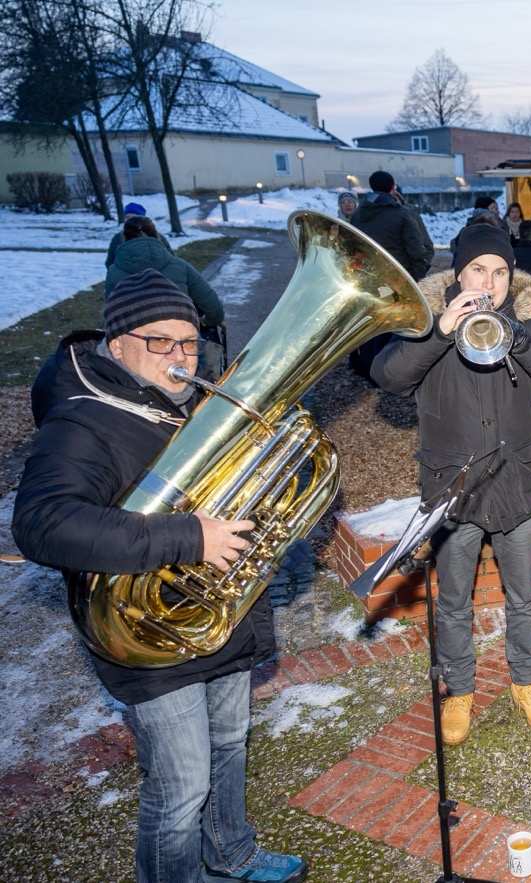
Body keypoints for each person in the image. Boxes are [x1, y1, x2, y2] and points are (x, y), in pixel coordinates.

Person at [13, 269, 307, 883]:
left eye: (189, 343)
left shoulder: (197, 403)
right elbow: (42, 524)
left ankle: (232, 853)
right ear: (118, 343)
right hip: (145, 634)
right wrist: (191, 537)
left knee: (229, 747)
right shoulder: (82, 421)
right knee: (181, 786)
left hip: (220, 615)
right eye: (160, 342)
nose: (179, 357)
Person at [371, 225, 531, 747]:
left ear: (512, 278)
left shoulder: (529, 319)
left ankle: (526, 681)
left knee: (524, 595)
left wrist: (522, 334)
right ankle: (459, 689)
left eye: (501, 272)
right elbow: (389, 377)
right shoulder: (428, 318)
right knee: (454, 600)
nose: (490, 282)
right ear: (459, 274)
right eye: (479, 270)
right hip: (454, 488)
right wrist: (441, 330)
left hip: (517, 482)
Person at [106, 216, 224, 331]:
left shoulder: (114, 272)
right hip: (179, 337)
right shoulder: (180, 266)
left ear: (124, 238)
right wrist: (206, 323)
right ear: (157, 236)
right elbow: (213, 307)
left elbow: (112, 315)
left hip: (136, 341)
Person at [349, 171, 433, 281]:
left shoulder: (357, 215)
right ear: (392, 187)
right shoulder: (402, 214)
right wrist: (417, 277)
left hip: (369, 275)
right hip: (398, 277)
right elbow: (416, 249)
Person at [105, 201, 172, 266]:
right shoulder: (118, 238)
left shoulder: (157, 237)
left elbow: (170, 258)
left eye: (134, 218)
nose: (130, 221)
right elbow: (110, 262)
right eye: (127, 217)